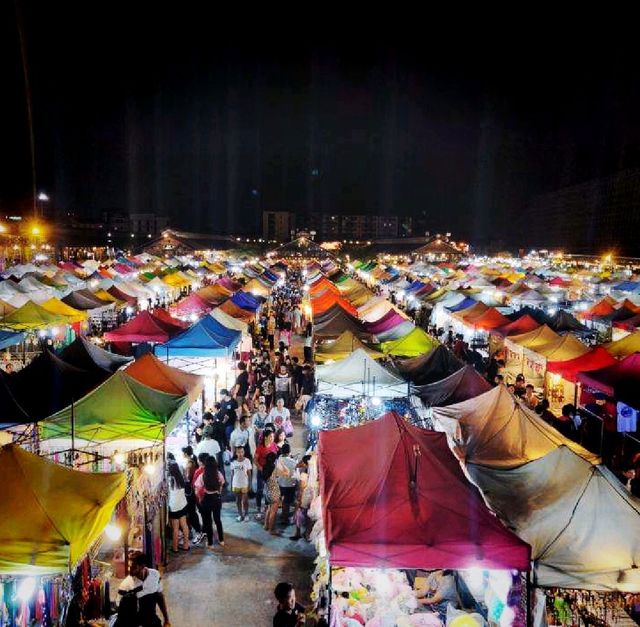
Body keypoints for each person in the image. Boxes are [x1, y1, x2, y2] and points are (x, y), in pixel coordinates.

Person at [117, 552, 170, 627]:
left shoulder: (155, 575)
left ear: (143, 566)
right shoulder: (125, 586)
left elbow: (159, 597)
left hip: (151, 619)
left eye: (133, 567)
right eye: (129, 566)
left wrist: (166, 620)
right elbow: (120, 612)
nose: (129, 569)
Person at [195, 455, 225, 548]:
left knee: (208, 522)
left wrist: (200, 498)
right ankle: (221, 540)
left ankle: (210, 543)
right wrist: (219, 491)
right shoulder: (218, 474)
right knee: (217, 520)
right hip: (216, 499)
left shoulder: (202, 475)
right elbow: (222, 483)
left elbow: (197, 488)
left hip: (206, 499)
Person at [263, 451, 289, 535]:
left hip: (267, 491)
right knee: (273, 512)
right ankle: (271, 530)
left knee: (269, 509)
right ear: (274, 460)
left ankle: (266, 526)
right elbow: (287, 472)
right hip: (274, 492)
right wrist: (281, 462)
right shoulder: (274, 469)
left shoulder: (265, 467)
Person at [254, 429, 278, 520]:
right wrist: (261, 468)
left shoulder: (274, 446)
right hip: (261, 472)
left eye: (273, 436)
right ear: (265, 437)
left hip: (270, 473)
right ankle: (258, 508)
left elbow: (275, 459)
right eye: (271, 436)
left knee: (269, 490)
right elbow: (255, 460)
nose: (272, 438)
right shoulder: (260, 447)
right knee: (260, 490)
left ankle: (267, 508)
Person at [167, 462, 190, 553]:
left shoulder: (169, 480)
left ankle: (175, 548)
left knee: (175, 528)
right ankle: (186, 545)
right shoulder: (181, 478)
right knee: (184, 525)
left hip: (174, 507)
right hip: (183, 504)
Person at [277, 442, 298, 526]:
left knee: (282, 501)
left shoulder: (278, 459)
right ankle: (285, 519)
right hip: (290, 485)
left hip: (280, 483)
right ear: (289, 452)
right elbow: (295, 473)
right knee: (287, 502)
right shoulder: (293, 462)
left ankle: (282, 515)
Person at [230, 445, 252, 521]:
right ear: (236, 453)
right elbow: (232, 474)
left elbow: (249, 473)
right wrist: (231, 484)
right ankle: (240, 514)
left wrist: (250, 483)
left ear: (244, 452)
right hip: (236, 484)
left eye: (242, 452)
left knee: (245, 500)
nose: (240, 454)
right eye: (238, 452)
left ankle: (246, 514)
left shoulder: (247, 461)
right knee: (238, 500)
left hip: (244, 484)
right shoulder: (233, 462)